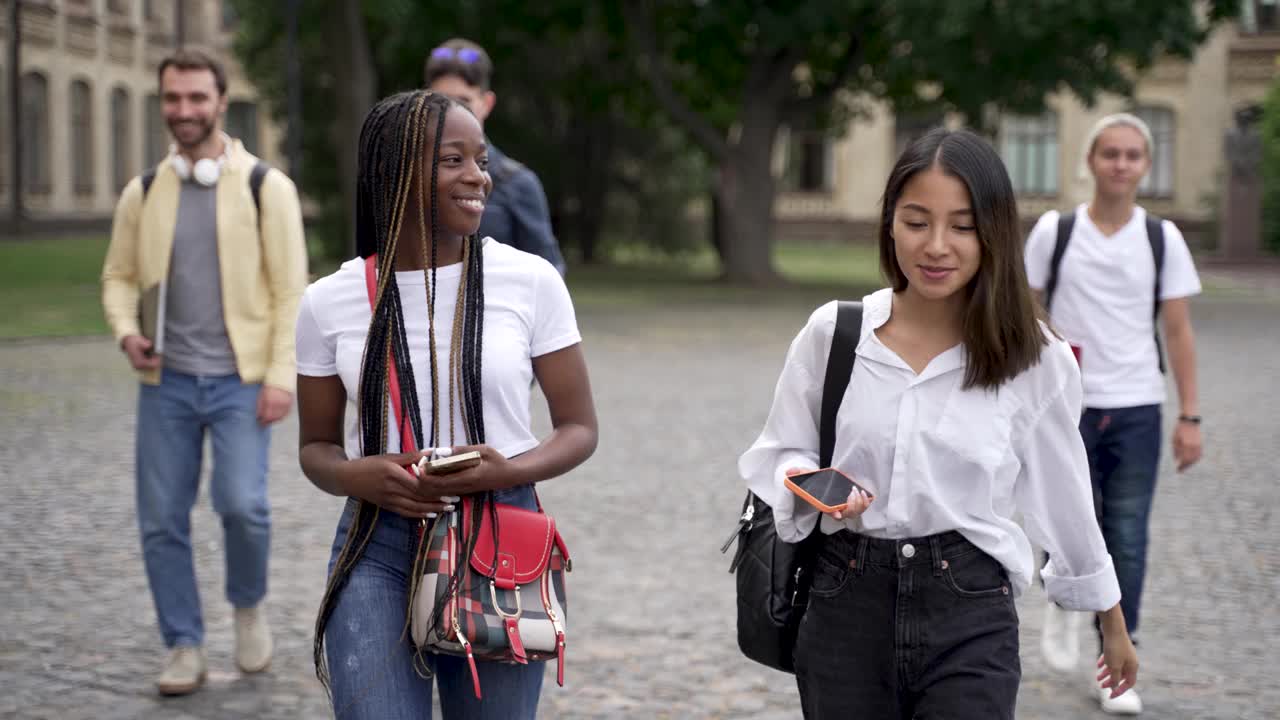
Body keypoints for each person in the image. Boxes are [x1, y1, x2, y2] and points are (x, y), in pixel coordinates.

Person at [738, 128, 1139, 720]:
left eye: (962, 225)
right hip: (844, 601)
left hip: (972, 608)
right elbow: (777, 453)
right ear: (889, 224)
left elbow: (1065, 492)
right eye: (916, 220)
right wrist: (816, 486)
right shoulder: (835, 334)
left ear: (994, 233)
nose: (936, 246)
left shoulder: (1036, 356)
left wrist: (1111, 619)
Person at [295, 89, 597, 719]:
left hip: (500, 536)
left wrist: (507, 470)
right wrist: (359, 475)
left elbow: (579, 428)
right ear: (395, 172)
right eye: (452, 160)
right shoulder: (330, 301)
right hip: (377, 542)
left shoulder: (531, 281)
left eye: (480, 160)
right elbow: (316, 450)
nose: (477, 177)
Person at [100, 48, 308, 696]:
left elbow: (291, 290)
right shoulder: (143, 192)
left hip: (240, 381)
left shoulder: (264, 187)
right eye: (173, 99)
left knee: (243, 506)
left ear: (221, 102)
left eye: (196, 98)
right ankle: (184, 643)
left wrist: (281, 376)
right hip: (167, 385)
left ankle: (248, 607)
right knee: (162, 517)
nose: (184, 111)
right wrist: (127, 330)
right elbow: (119, 277)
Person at [1025, 112, 1202, 715]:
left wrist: (1191, 415)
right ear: (1092, 161)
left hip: (1136, 406)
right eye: (1110, 153)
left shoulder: (1162, 238)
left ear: (1145, 165)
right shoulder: (1057, 231)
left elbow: (1176, 330)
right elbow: (1025, 311)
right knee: (1068, 520)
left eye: (1132, 155)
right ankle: (1061, 607)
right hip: (1067, 405)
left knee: (1126, 534)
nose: (1121, 164)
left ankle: (1116, 659)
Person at [424, 38, 567, 275]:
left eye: (462, 102)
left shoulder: (517, 183)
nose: (450, 113)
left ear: (486, 103)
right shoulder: (410, 175)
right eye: (439, 101)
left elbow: (549, 274)